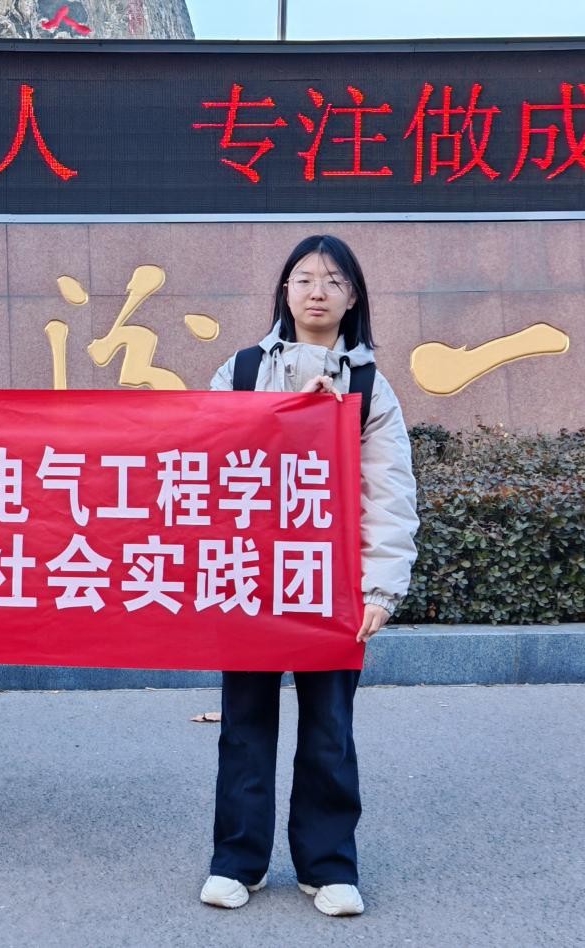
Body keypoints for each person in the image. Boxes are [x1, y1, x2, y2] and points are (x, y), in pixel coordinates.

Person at [199, 234, 418, 917]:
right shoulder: (239, 371)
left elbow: (388, 493)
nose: (317, 291)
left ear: (353, 298)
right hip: (251, 577)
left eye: (332, 280)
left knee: (329, 726)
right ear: (285, 292)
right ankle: (238, 862)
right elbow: (204, 460)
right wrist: (291, 413)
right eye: (304, 278)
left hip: (333, 586)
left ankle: (327, 867)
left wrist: (380, 588)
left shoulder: (370, 387)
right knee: (245, 721)